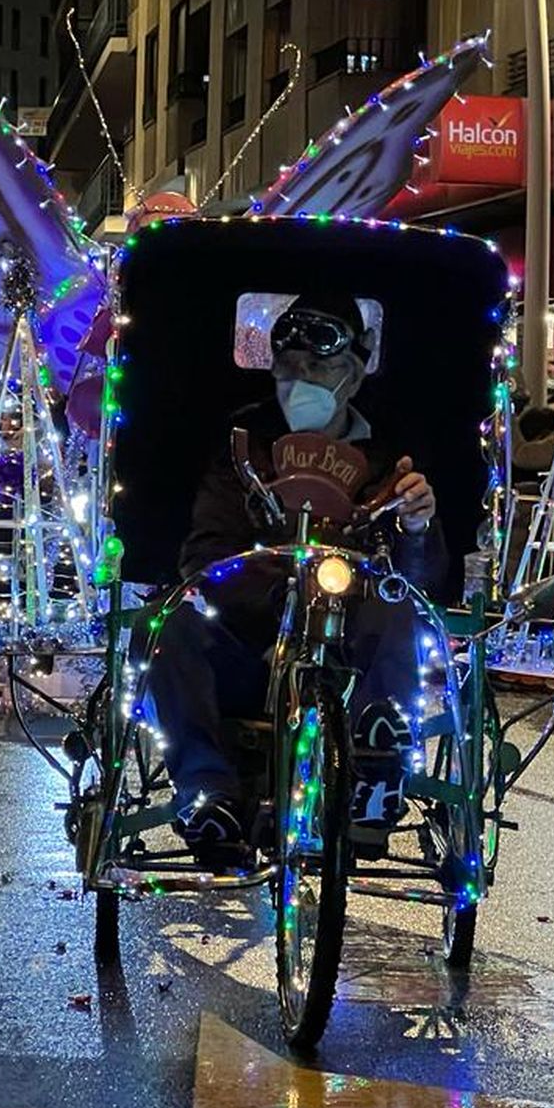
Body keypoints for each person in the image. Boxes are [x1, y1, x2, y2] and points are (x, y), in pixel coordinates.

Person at [144, 293, 445, 857]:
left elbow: (422, 577)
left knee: (398, 603)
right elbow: (203, 553)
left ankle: (376, 769)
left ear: (352, 376)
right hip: (249, 643)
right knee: (169, 625)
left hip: (351, 657)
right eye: (289, 367)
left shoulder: (390, 458)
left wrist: (417, 527)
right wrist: (279, 589)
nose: (299, 380)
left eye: (319, 366)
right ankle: (209, 793)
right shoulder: (242, 448)